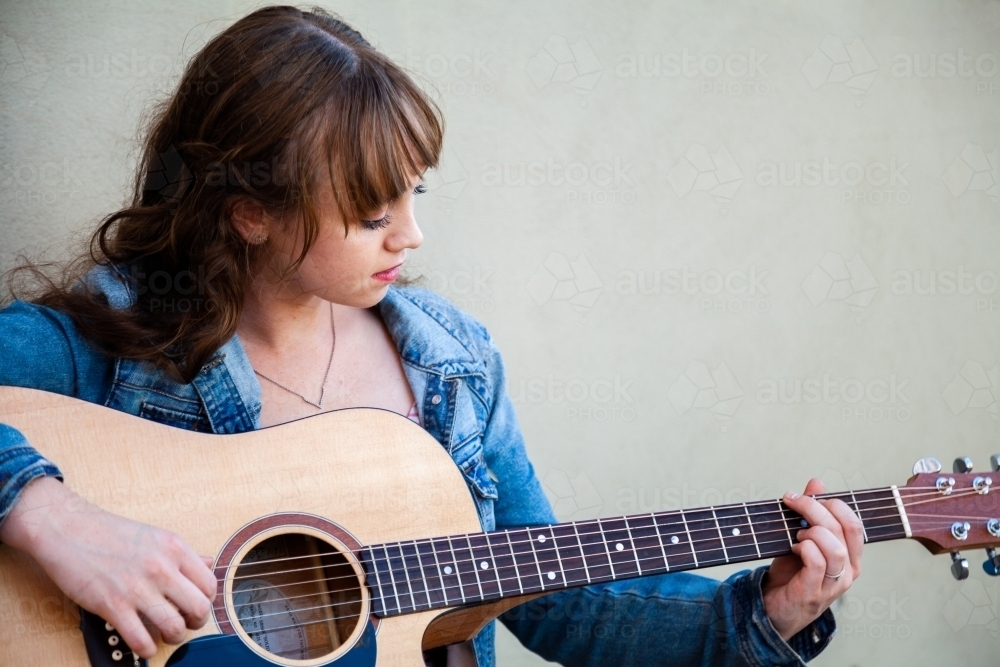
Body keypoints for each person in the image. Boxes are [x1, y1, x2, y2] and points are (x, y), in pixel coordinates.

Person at [0, 6, 863, 666]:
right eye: (374, 212)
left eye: (416, 195)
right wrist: (51, 515)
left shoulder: (451, 364)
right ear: (251, 213)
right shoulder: (114, 339)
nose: (411, 237)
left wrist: (766, 611)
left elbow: (551, 599)